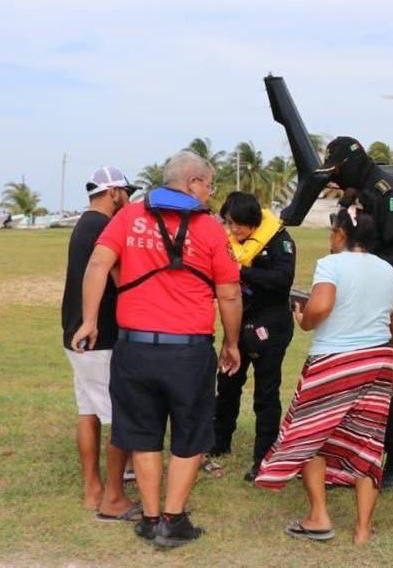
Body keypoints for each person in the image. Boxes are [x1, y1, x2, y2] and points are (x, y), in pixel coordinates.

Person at [71, 150, 243, 548]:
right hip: (189, 351)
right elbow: (230, 293)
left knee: (144, 434)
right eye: (209, 184)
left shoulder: (128, 216)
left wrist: (90, 320)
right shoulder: (212, 230)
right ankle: (173, 520)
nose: (210, 192)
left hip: (135, 350)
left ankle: (150, 519)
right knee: (189, 435)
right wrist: (232, 342)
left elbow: (98, 265)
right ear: (193, 183)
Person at [254, 205, 393, 545]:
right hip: (377, 362)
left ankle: (319, 516)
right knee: (368, 441)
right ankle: (363, 530)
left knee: (311, 435)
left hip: (334, 363)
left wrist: (304, 319)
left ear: (341, 234)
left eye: (331, 232)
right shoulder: (389, 271)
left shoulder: (331, 264)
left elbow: (321, 306)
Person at [317, 136, 393, 490]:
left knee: (390, 377)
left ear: (351, 164)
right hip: (353, 296)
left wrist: (359, 273)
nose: (336, 181)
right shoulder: (356, 195)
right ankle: (347, 457)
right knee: (346, 376)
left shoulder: (389, 195)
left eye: (338, 173)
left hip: (387, 299)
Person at [60, 166, 139, 521]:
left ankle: (93, 487)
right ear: (113, 193)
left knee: (88, 411)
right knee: (119, 417)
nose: (128, 199)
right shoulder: (106, 227)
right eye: (126, 193)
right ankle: (112, 497)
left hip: (75, 332)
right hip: (100, 335)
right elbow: (122, 278)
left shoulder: (83, 225)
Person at [208, 192, 296, 482]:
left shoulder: (280, 241)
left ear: (253, 221)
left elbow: (282, 281)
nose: (233, 230)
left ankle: (264, 456)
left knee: (266, 393)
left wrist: (241, 271)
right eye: (229, 224)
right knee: (228, 383)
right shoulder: (230, 242)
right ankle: (219, 442)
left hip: (270, 326)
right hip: (238, 324)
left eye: (238, 225)